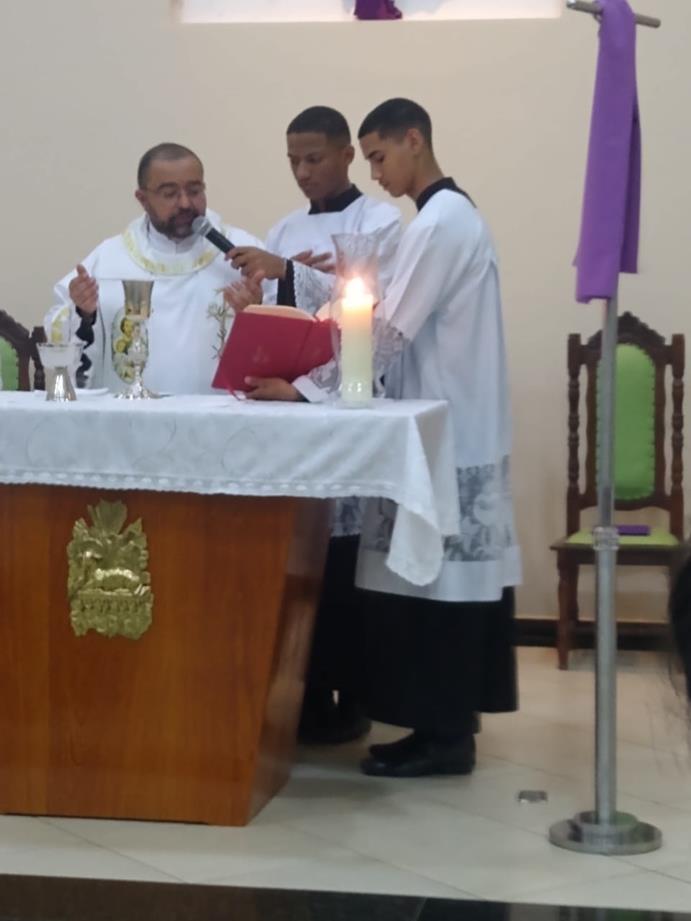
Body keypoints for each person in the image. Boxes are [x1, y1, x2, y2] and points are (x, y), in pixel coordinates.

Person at [248, 98, 521, 778]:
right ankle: (438, 727)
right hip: (448, 417)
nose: (374, 174)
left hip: (447, 425)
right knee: (431, 582)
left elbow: (387, 329)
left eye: (378, 156)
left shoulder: (441, 221)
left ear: (413, 139)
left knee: (439, 584)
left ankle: (444, 736)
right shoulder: (447, 216)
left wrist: (304, 389)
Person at [226, 107, 402, 745]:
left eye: (314, 159)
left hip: (346, 402)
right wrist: (255, 304)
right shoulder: (285, 227)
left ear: (347, 154)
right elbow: (285, 316)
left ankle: (353, 697)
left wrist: (289, 272)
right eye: (293, 161)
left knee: (347, 565)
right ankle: (298, 698)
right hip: (292, 409)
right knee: (300, 560)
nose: (303, 172)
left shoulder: (380, 221)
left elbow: (374, 305)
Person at [45, 142, 264, 394]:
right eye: (170, 194)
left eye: (194, 191)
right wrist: (84, 313)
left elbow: (286, 341)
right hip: (132, 415)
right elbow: (61, 329)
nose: (185, 203)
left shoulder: (246, 254)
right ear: (142, 199)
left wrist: (256, 313)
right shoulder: (109, 259)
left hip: (221, 413)